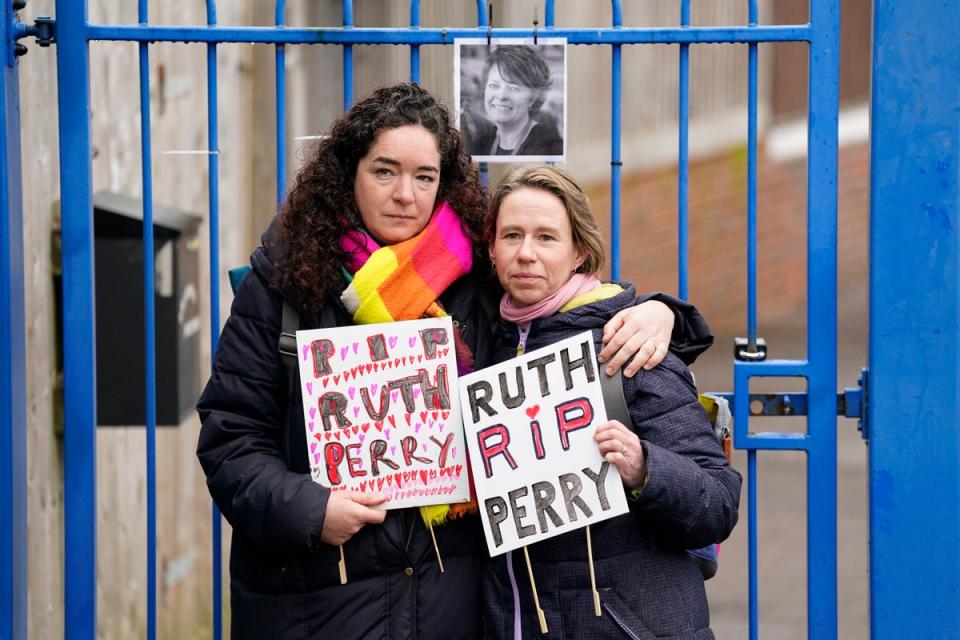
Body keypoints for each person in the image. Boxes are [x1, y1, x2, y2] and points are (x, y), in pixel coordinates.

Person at [196, 83, 712, 639]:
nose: (405, 195)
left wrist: (661, 314)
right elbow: (231, 437)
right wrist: (311, 509)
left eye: (424, 177)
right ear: (349, 173)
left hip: (449, 602)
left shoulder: (476, 279)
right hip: (316, 602)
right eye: (384, 171)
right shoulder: (286, 281)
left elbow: (568, 307)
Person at [481, 165, 741, 639]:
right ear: (492, 248)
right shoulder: (482, 351)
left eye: (546, 238)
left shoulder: (627, 343)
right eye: (512, 235)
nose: (525, 254)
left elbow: (718, 504)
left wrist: (647, 470)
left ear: (579, 250)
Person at [466, 45, 563, 157]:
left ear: (533, 98)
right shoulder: (483, 142)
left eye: (513, 88)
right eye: (494, 85)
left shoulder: (549, 145)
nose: (501, 96)